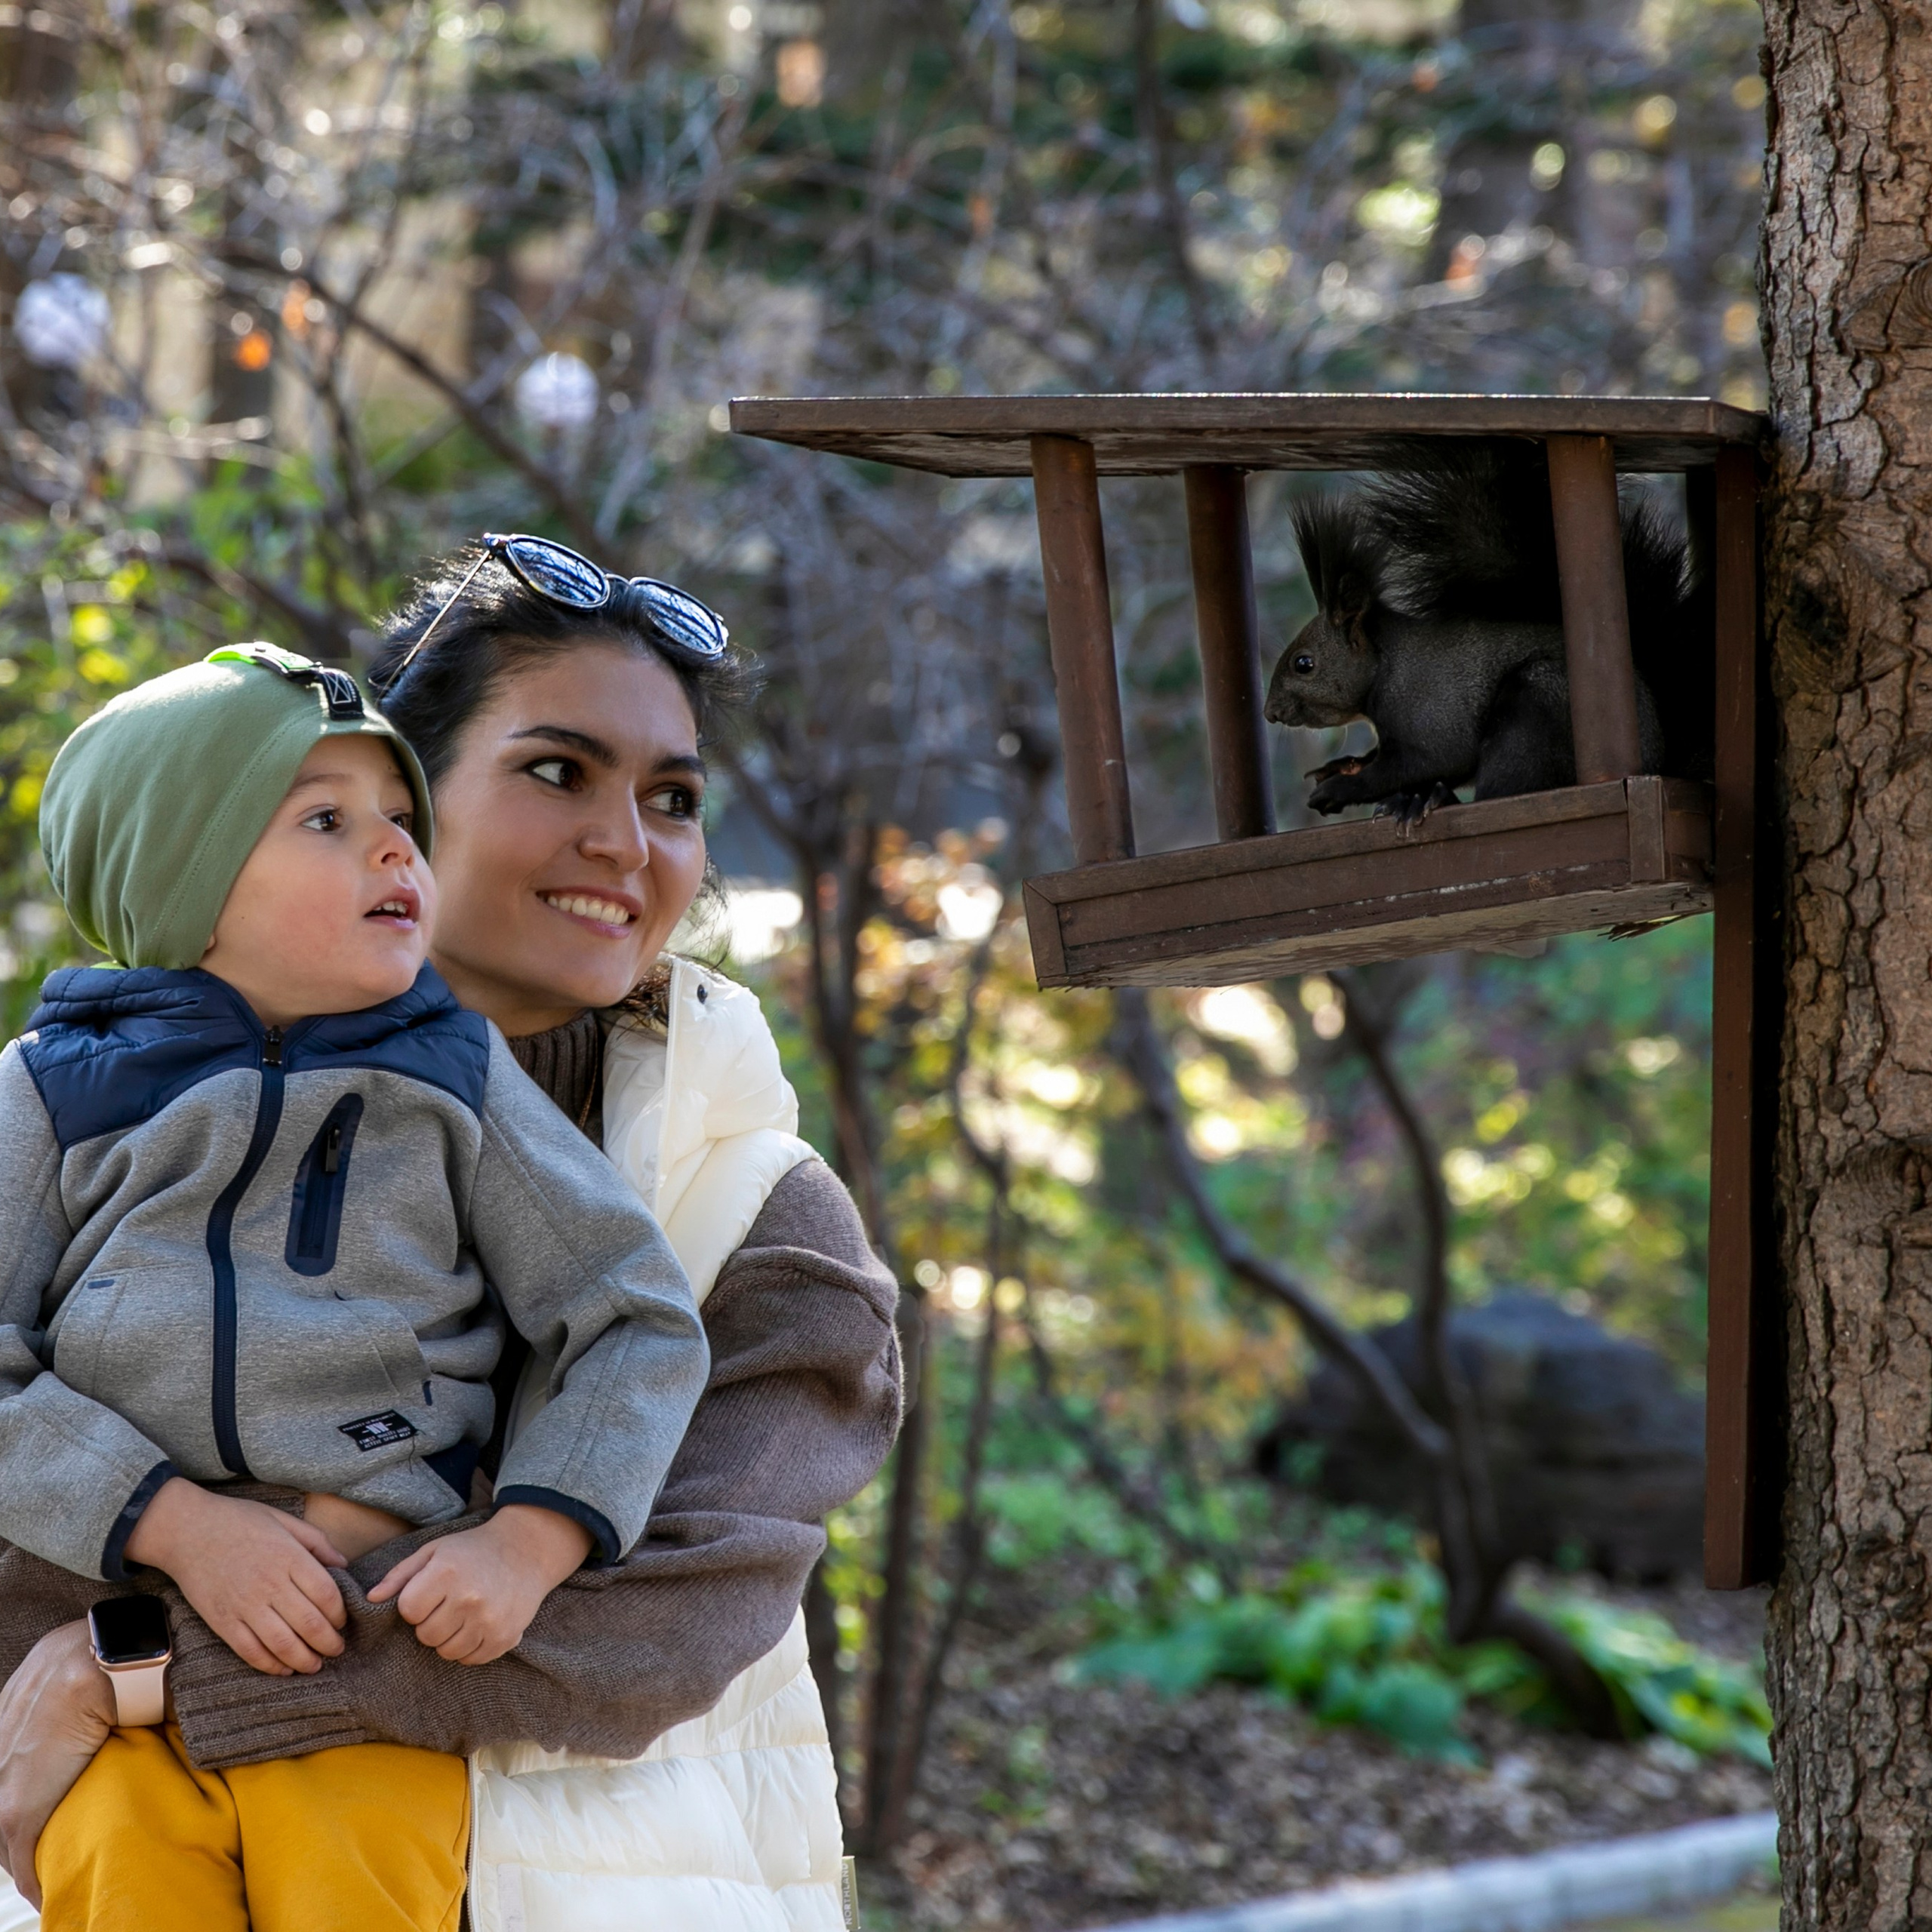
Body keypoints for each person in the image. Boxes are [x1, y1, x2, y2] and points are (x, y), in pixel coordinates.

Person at [0, 538, 903, 1932]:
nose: (629, 842)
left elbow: (650, 1623)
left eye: (674, 798)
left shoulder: (758, 1212)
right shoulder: (102, 1104)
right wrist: (186, 1546)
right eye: (558, 770)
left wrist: (123, 1665)